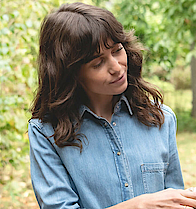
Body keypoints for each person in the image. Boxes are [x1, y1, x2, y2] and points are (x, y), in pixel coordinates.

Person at [28, 2, 196, 209]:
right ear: (71, 74)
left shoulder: (161, 118)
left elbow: (175, 202)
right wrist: (137, 205)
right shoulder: (46, 132)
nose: (117, 68)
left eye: (117, 50)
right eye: (98, 63)